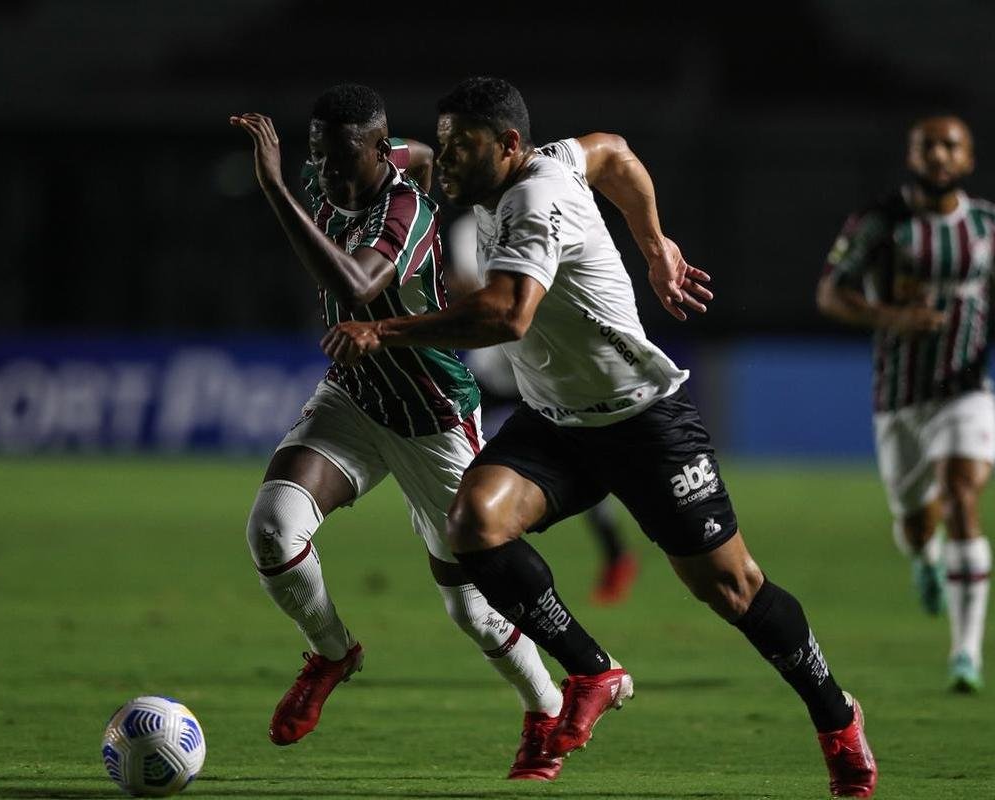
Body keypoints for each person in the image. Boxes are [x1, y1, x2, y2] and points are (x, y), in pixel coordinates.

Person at [321, 76, 878, 797]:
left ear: (510, 146)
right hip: (559, 422)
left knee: (733, 590)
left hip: (642, 419)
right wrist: (655, 245)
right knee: (473, 523)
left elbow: (507, 316)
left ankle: (836, 717)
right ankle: (592, 670)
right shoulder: (540, 164)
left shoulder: (533, 198)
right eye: (448, 142)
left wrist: (382, 330)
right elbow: (613, 153)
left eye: (464, 147)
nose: (448, 160)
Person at [230, 83, 569, 782]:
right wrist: (405, 152)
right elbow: (400, 156)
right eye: (317, 154)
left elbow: (358, 286)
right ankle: (331, 653)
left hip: (432, 417)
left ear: (377, 150)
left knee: (471, 612)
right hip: (355, 401)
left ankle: (545, 708)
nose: (324, 170)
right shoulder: (329, 181)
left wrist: (275, 189)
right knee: (271, 527)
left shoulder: (409, 210)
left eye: (341, 156)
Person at [817, 115, 995, 692]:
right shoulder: (879, 223)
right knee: (917, 524)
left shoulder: (992, 223)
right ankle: (924, 558)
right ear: (912, 156)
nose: (940, 156)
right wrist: (888, 316)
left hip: (967, 387)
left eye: (951, 146)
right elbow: (830, 293)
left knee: (962, 494)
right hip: (899, 396)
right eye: (929, 146)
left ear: (968, 158)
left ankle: (966, 654)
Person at [447, 212, 640, 606]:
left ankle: (616, 555)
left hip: (542, 364)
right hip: (497, 363)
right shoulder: (467, 229)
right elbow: (476, 290)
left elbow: (480, 290)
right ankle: (472, 548)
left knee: (583, 458)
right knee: (452, 434)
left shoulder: (537, 213)